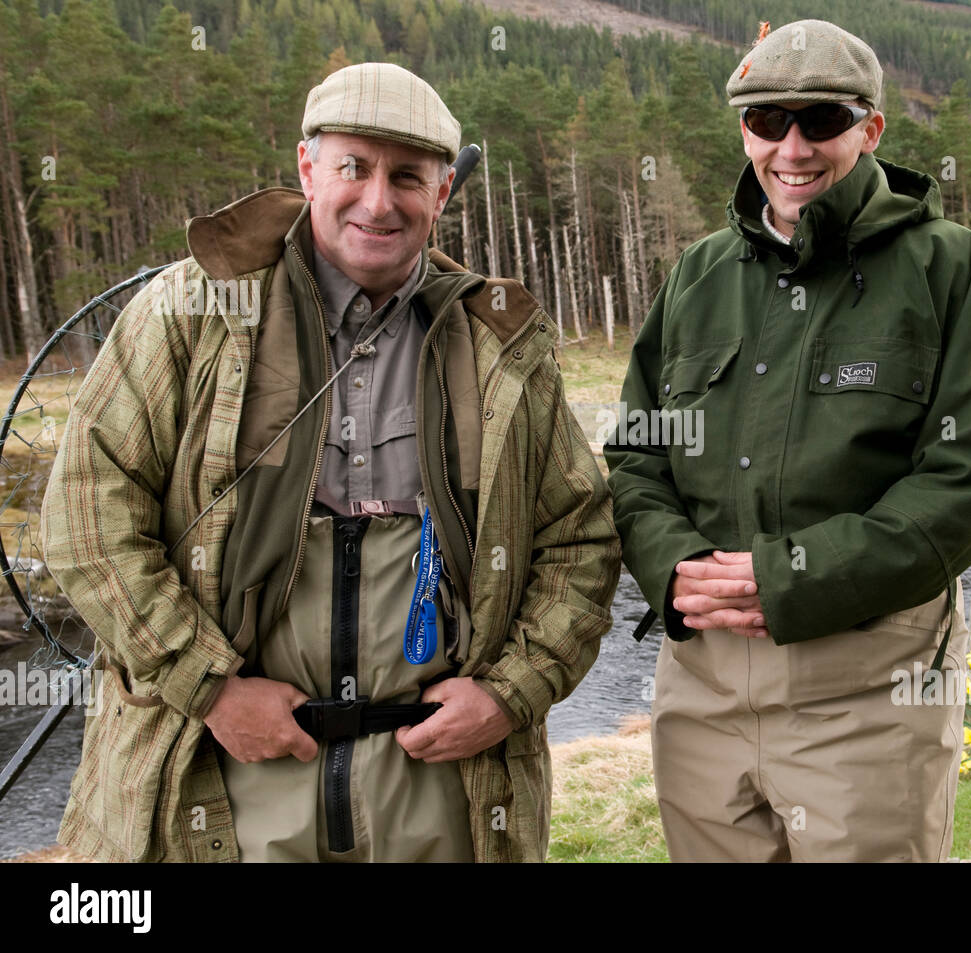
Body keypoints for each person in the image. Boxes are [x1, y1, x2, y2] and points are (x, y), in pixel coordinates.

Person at [40, 62, 619, 862]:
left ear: (443, 193)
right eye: (354, 167)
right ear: (309, 169)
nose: (378, 201)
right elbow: (86, 517)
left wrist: (508, 694)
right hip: (225, 779)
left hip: (440, 795)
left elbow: (580, 539)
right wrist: (209, 688)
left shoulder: (502, 342)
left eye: (407, 176)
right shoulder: (189, 311)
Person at [605, 20, 971, 862]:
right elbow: (637, 454)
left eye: (822, 121)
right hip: (703, 687)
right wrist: (675, 565)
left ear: (870, 129)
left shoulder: (948, 265)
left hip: (870, 692)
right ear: (743, 131)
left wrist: (787, 578)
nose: (792, 147)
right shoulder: (698, 274)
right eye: (767, 122)